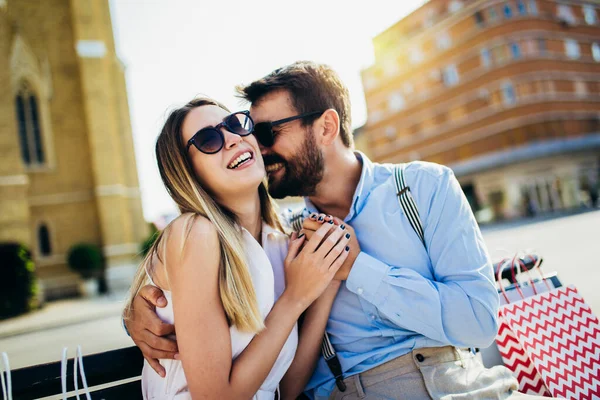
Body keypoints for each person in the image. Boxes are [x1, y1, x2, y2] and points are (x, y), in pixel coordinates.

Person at [126, 63, 557, 399]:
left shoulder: (423, 187)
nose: (253, 143)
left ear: (327, 128)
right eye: (248, 131)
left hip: (464, 381)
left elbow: (479, 323)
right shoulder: (290, 241)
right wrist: (136, 312)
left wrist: (351, 269)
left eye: (260, 131)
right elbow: (177, 286)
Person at [123, 97, 353, 399]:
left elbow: (285, 387)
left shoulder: (280, 243)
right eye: (208, 139)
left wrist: (327, 278)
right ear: (187, 172)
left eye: (235, 124)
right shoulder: (194, 233)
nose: (232, 139)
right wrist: (295, 298)